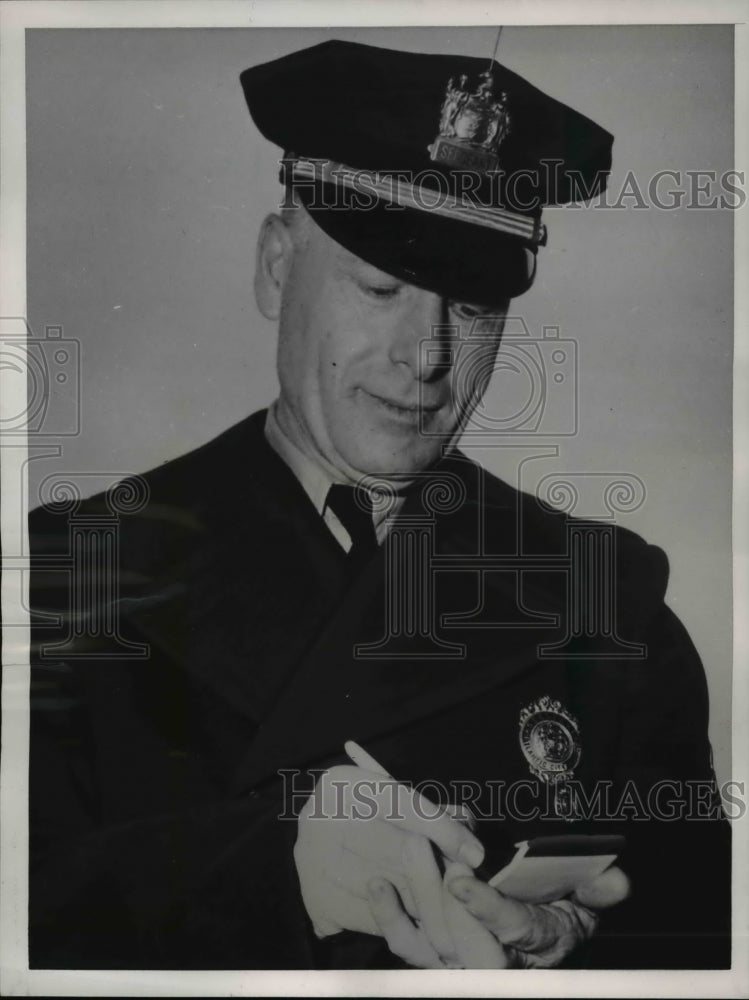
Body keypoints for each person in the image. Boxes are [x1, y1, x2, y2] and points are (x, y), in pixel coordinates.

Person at [28, 38, 730, 971]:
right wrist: (273, 870)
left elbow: (701, 929)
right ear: (277, 269)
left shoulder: (608, 605)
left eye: (472, 307)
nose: (427, 353)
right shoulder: (70, 578)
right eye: (379, 287)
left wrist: (576, 948)